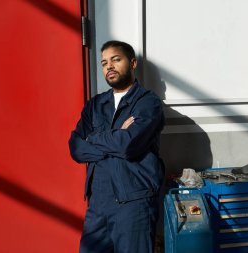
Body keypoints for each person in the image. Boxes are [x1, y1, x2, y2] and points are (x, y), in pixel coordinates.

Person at [69, 40, 165, 253]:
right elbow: (75, 148)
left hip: (134, 201)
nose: (109, 66)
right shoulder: (95, 105)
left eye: (115, 59)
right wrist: (117, 134)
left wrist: (93, 138)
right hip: (98, 203)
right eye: (104, 63)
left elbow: (128, 145)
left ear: (132, 64)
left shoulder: (148, 103)